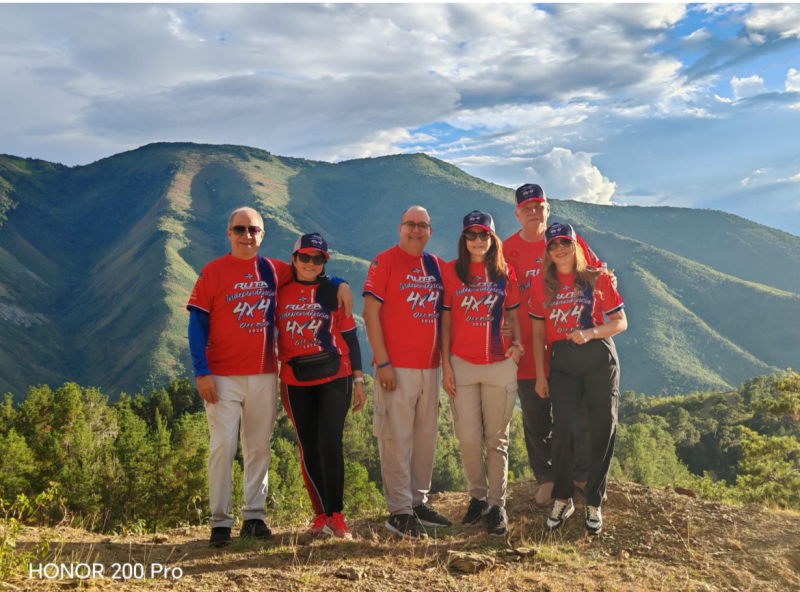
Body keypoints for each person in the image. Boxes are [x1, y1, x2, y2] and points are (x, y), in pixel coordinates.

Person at [186, 207, 353, 547]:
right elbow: (196, 323)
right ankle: (220, 523)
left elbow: (313, 272)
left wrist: (341, 282)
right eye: (240, 229)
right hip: (222, 375)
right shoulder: (212, 272)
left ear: (262, 235)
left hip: (264, 373)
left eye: (253, 230)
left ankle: (254, 517)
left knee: (259, 447)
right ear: (228, 233)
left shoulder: (273, 270)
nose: (247, 236)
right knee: (223, 446)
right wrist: (201, 371)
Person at [503, 183, 606, 507]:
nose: (534, 212)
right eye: (527, 208)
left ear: (547, 209)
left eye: (539, 206)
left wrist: (609, 278)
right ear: (517, 214)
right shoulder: (505, 249)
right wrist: (499, 324)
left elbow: (596, 274)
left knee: (578, 413)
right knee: (535, 418)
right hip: (527, 344)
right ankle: (546, 478)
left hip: (570, 348)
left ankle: (579, 471)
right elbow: (489, 289)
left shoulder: (568, 241)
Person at [529, 222, 627, 534]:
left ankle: (594, 501)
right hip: (562, 362)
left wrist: (590, 333)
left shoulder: (595, 278)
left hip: (599, 356)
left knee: (603, 426)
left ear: (575, 245)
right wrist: (541, 374)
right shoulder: (541, 284)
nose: (559, 248)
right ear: (547, 250)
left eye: (565, 242)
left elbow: (620, 322)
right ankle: (563, 497)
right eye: (553, 244)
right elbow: (537, 332)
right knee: (565, 427)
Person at [362, 205, 451, 539]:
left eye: (423, 226)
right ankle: (398, 512)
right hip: (395, 366)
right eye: (410, 225)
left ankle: (417, 502)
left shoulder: (436, 266)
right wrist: (382, 362)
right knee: (396, 439)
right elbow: (370, 313)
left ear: (430, 231)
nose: (416, 231)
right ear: (400, 228)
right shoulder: (383, 261)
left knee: (424, 439)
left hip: (431, 366)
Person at [276, 233, 366, 540]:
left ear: (324, 263)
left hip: (335, 373)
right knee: (308, 447)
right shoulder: (280, 291)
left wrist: (358, 379)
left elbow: (351, 337)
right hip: (293, 378)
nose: (310, 263)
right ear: (294, 258)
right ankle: (319, 516)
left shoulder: (332, 291)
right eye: (305, 257)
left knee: (330, 443)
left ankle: (337, 516)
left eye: (318, 259)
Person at [441, 211, 523, 537]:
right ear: (464, 239)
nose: (478, 240)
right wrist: (446, 363)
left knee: (496, 439)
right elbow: (445, 322)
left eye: (484, 235)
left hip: (500, 365)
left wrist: (516, 347)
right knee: (468, 438)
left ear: (492, 239)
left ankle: (497, 505)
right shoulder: (451, 272)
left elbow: (515, 315)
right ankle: (476, 498)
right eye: (472, 235)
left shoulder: (504, 272)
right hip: (462, 364)